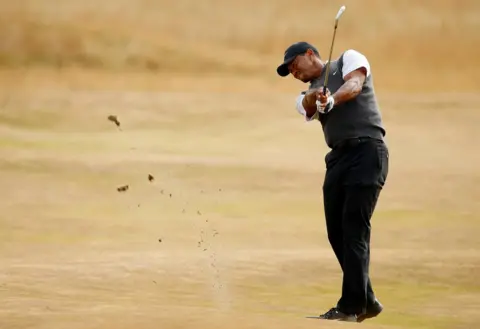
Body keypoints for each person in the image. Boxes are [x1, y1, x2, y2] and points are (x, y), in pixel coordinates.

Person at [276, 41, 389, 322]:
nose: (293, 72)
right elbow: (306, 104)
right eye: (288, 70)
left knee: (354, 229)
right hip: (338, 159)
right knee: (336, 232)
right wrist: (319, 97)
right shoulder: (305, 93)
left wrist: (333, 99)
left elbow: (355, 85)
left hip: (367, 151)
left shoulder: (348, 59)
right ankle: (368, 300)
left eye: (294, 65)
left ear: (310, 54)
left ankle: (350, 307)